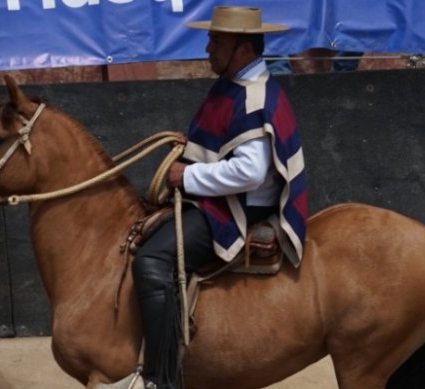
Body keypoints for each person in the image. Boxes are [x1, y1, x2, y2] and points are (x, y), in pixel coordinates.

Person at [118, 6, 308, 389]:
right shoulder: (235, 85)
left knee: (152, 261)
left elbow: (250, 172)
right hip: (220, 198)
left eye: (216, 41)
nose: (207, 48)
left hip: (236, 209)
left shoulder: (254, 96)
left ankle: (162, 380)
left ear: (244, 49)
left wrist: (187, 174)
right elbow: (226, 146)